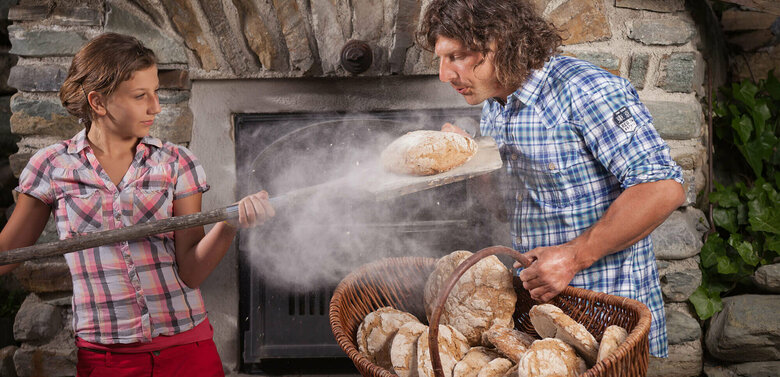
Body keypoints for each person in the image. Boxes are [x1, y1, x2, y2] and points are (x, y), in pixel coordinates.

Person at [418, 0, 685, 358]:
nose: (444, 75)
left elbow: (663, 189)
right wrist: (470, 158)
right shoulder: (496, 103)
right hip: (541, 321)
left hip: (606, 317)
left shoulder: (585, 90)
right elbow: (501, 209)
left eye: (457, 56)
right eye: (441, 58)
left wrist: (574, 256)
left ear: (501, 42)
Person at [0, 33, 274, 375]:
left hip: (188, 351)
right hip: (106, 360)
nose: (155, 107)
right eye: (140, 96)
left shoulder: (176, 162)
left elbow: (191, 271)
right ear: (98, 102)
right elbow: (7, 254)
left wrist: (230, 224)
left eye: (155, 92)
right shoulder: (52, 166)